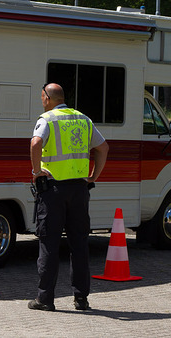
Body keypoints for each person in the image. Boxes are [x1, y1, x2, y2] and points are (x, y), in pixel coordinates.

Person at [28, 83, 109, 312]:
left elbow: (35, 143)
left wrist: (36, 172)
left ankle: (45, 299)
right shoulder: (83, 119)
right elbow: (103, 148)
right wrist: (93, 176)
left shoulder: (48, 119)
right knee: (79, 245)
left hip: (53, 190)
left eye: (42, 97)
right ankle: (81, 299)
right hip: (79, 190)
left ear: (47, 98)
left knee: (49, 245)